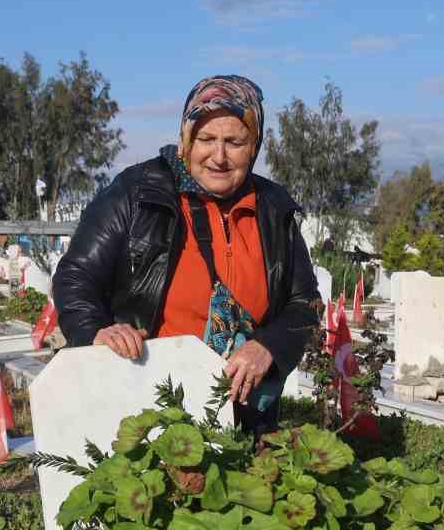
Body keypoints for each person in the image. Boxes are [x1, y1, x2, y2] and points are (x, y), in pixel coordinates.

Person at [53, 74, 319, 437]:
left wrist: (270, 346)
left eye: (235, 142)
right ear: (185, 140)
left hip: (246, 409)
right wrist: (95, 330)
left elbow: (305, 303)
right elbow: (76, 277)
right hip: (144, 395)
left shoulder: (275, 209)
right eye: (206, 139)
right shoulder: (135, 194)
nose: (219, 156)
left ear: (254, 145)